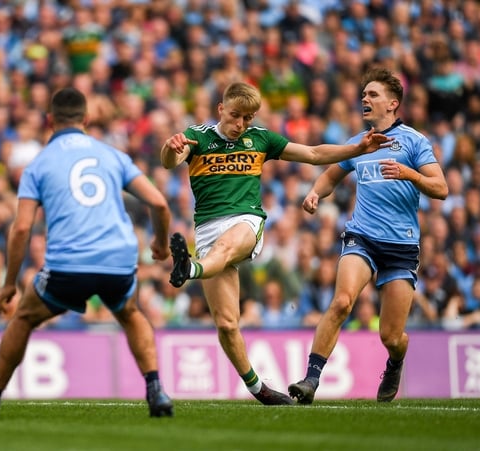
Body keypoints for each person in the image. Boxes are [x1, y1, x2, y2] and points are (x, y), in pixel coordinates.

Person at [161, 81, 391, 405]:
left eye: (248, 118)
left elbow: (312, 154)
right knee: (227, 325)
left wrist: (356, 149)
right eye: (236, 116)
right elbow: (171, 160)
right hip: (207, 231)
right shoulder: (198, 137)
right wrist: (170, 148)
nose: (241, 124)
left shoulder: (261, 139)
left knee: (224, 249)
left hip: (246, 222)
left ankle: (191, 268)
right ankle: (261, 390)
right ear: (221, 110)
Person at [0, 87, 174, 418]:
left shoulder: (38, 165)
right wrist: (161, 244)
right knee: (131, 314)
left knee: (23, 317)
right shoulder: (113, 155)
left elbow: (21, 228)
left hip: (68, 264)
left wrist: (9, 284)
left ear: (50, 121)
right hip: (117, 259)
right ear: (87, 118)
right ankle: (156, 391)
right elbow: (159, 203)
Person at [288, 67, 448, 404]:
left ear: (392, 104)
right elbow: (330, 176)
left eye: (372, 94)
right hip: (362, 236)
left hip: (402, 245)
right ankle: (310, 380)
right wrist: (315, 193)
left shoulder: (415, 142)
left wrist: (410, 174)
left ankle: (395, 362)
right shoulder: (358, 143)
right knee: (342, 301)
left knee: (391, 335)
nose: (365, 98)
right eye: (363, 94)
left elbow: (442, 188)